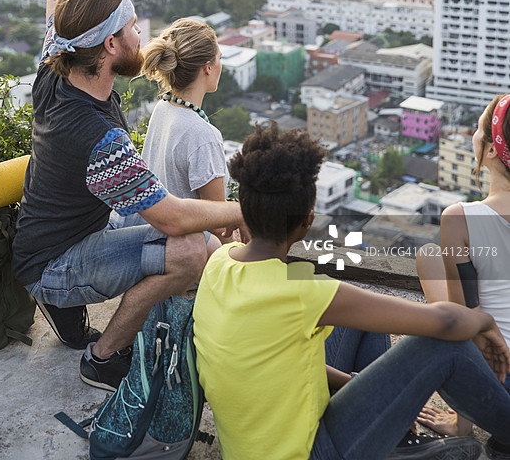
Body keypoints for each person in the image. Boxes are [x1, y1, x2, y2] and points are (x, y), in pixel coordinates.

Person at [11, 0, 245, 392]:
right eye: (132, 27)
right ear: (111, 45)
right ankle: (103, 356)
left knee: (189, 238)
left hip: (58, 235)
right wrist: (250, 211)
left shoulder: (57, 65)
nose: (142, 35)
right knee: (190, 249)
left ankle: (72, 309)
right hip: (54, 262)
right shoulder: (98, 138)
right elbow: (173, 215)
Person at [193, 122, 510, 460]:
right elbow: (447, 323)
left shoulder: (220, 262)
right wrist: (483, 321)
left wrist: (369, 390)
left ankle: (393, 437)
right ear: (307, 220)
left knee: (361, 320)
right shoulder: (303, 294)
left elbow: (285, 363)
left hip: (255, 444)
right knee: (443, 344)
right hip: (309, 453)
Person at [416, 93, 510, 454]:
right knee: (430, 257)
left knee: (428, 258)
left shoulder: (461, 218)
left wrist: (461, 424)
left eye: (479, 128)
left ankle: (464, 422)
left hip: (500, 400)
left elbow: (461, 325)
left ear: (491, 150)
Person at [141, 18, 236, 249]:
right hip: (190, 251)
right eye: (219, 58)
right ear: (207, 67)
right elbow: (219, 225)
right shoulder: (203, 135)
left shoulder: (162, 108)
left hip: (153, 240)